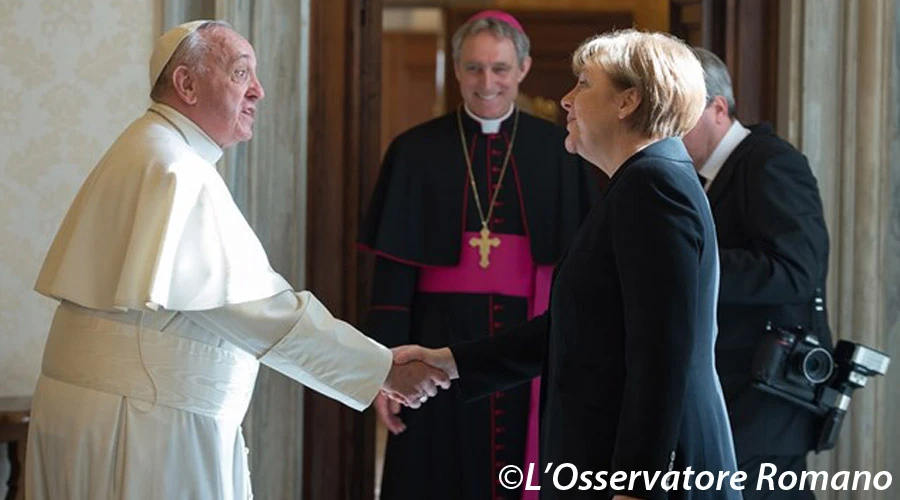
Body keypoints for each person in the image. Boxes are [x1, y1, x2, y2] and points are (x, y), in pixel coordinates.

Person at [25, 20, 448, 500]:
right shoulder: (175, 169)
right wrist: (379, 368)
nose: (259, 92)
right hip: (146, 428)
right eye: (241, 74)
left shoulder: (152, 151)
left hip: (115, 414)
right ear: (185, 84)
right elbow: (260, 314)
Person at [396, 30, 743, 500]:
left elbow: (664, 354)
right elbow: (583, 327)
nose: (565, 99)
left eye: (583, 84)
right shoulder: (641, 182)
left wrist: (638, 487)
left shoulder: (652, 187)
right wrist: (452, 361)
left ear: (628, 101)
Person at [358, 10, 598, 500]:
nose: (487, 82)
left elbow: (582, 271)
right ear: (457, 68)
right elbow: (392, 278)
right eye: (473, 68)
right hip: (434, 347)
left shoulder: (562, 151)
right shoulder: (414, 151)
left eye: (500, 69)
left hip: (527, 346)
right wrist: (381, 369)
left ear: (524, 69)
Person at [681, 48, 832, 499]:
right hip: (737, 392)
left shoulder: (769, 160)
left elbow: (795, 270)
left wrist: (687, 266)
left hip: (767, 396)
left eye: (676, 117)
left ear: (718, 109)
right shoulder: (707, 173)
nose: (664, 132)